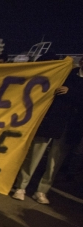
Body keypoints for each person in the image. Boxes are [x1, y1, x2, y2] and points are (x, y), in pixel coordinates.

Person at [12, 52, 78, 204]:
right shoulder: (67, 72)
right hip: (52, 121)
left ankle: (42, 191)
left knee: (55, 162)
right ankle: (20, 186)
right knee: (34, 155)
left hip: (70, 127)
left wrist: (71, 92)